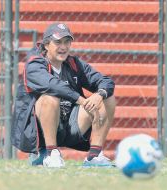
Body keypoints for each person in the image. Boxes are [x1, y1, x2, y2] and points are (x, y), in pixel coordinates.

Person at [11, 22, 116, 168]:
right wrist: (80, 99)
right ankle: (50, 153)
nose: (63, 47)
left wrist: (100, 94)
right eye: (58, 42)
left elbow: (105, 81)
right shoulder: (34, 64)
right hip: (40, 132)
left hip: (69, 125)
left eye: (67, 42)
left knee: (107, 97)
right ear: (46, 45)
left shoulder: (73, 63)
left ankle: (94, 157)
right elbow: (52, 85)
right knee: (50, 97)